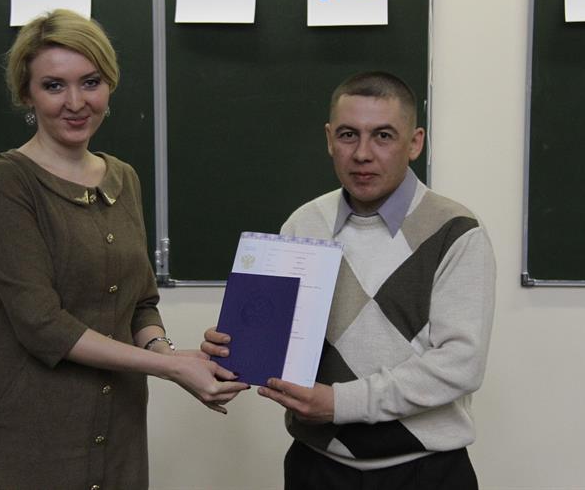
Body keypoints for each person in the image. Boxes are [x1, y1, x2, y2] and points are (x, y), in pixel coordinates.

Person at [0, 9, 248, 489]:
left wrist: (168, 350)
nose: (75, 102)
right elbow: (42, 325)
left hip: (117, 427)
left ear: (109, 85)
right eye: (54, 86)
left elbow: (141, 304)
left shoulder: (123, 178)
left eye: (90, 82)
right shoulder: (5, 181)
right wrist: (171, 367)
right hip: (25, 431)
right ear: (27, 94)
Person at [204, 71, 495, 489]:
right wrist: (234, 350)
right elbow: (274, 339)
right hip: (316, 469)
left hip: (425, 473)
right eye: (347, 135)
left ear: (415, 143)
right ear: (329, 139)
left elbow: (460, 364)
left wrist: (341, 403)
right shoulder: (304, 223)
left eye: (383, 136)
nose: (362, 154)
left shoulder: (456, 231)